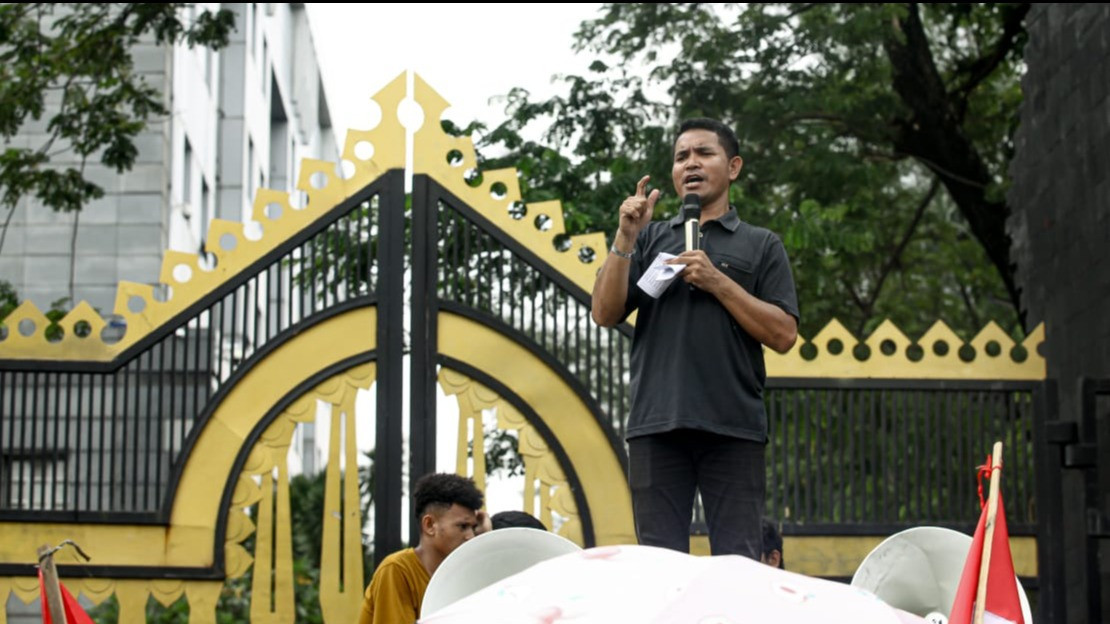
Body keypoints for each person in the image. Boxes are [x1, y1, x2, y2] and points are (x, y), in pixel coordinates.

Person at [591, 117, 799, 560]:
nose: (691, 164)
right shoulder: (648, 239)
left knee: (739, 561)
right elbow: (605, 312)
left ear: (734, 166)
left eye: (704, 153)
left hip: (733, 426)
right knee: (658, 565)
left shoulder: (761, 244)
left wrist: (718, 281)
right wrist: (626, 234)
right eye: (682, 156)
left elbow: (783, 334)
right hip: (656, 424)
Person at [358, 473, 490, 624]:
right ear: (429, 525)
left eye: (473, 528)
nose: (471, 536)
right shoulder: (397, 570)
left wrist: (487, 542)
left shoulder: (464, 576)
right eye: (463, 526)